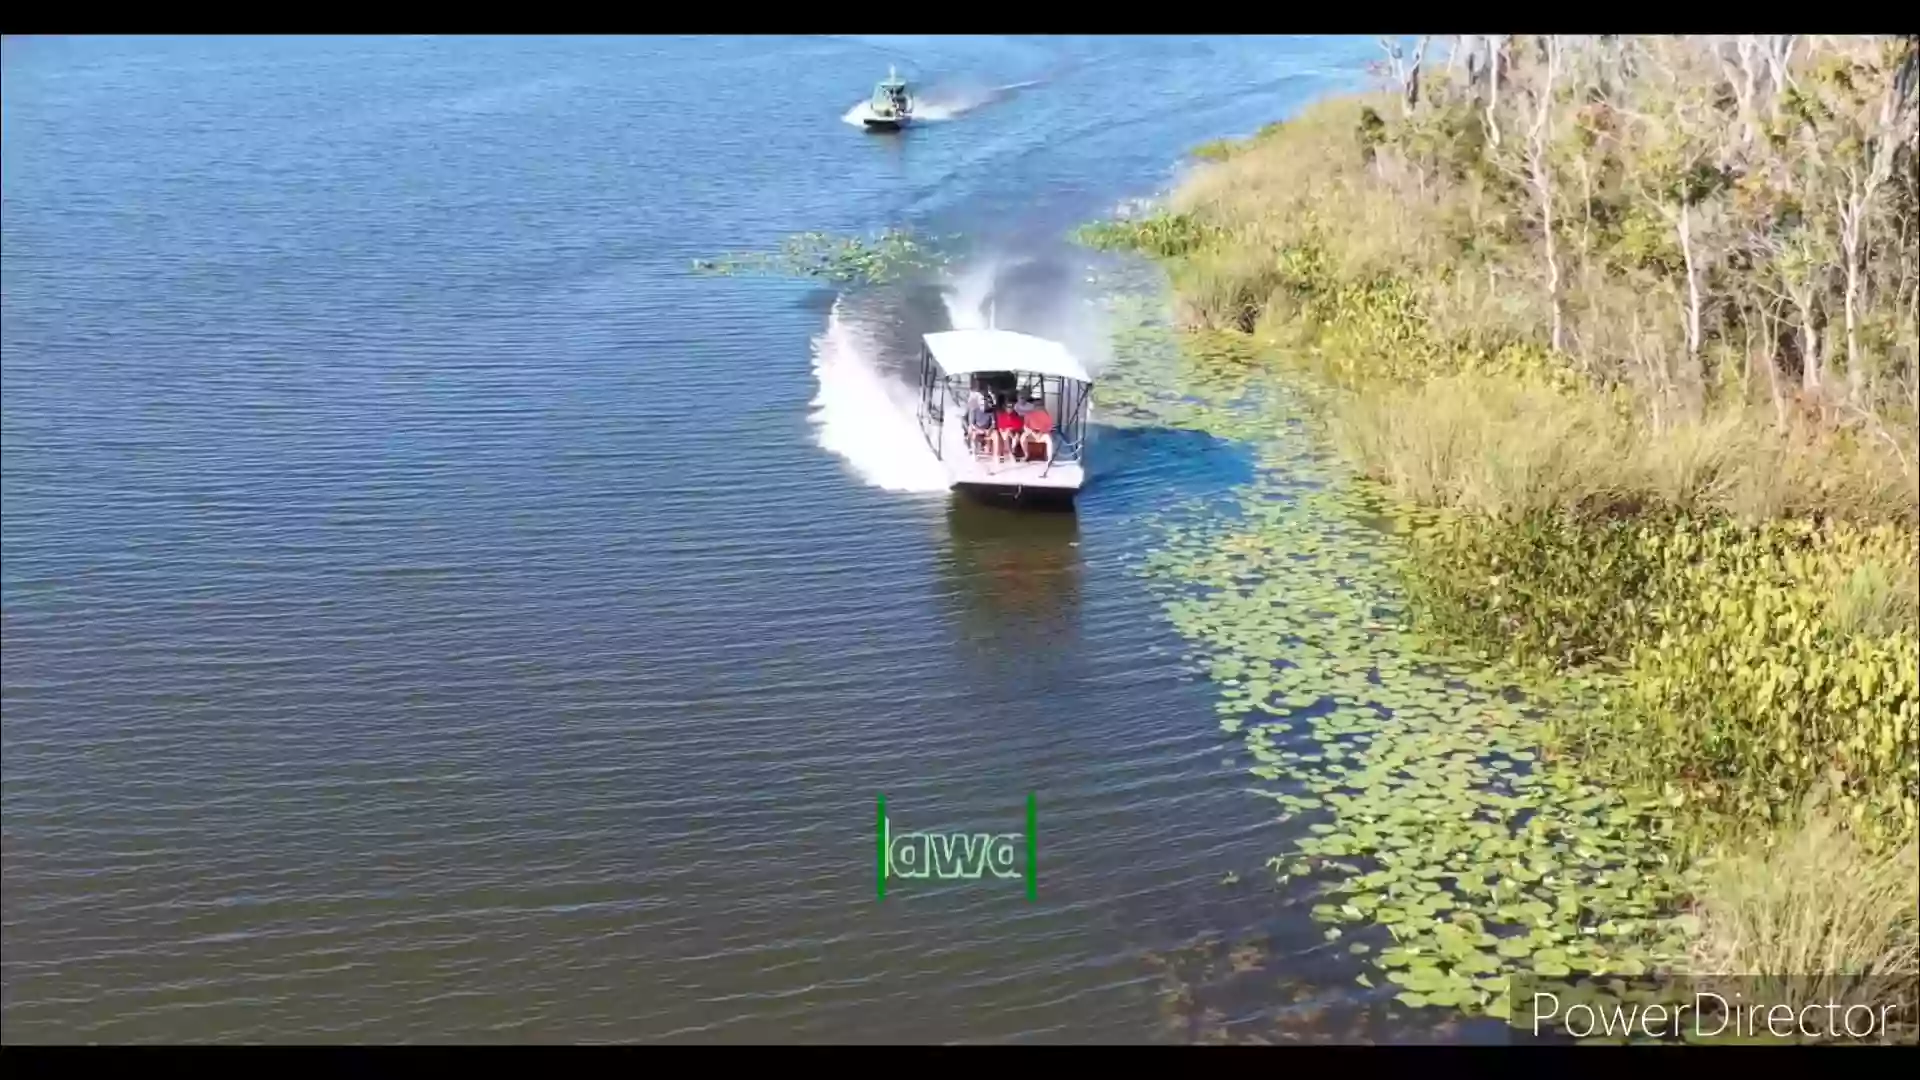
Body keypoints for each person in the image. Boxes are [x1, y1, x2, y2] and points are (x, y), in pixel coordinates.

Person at [1021, 397, 1055, 469]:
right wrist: (1031, 432)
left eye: (1039, 405)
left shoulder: (1046, 415)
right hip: (1032, 434)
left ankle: (1049, 459)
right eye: (1036, 405)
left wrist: (1042, 432)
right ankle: (1026, 455)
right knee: (1023, 438)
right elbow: (1025, 427)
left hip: (1042, 434)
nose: (1037, 406)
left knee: (1049, 440)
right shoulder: (1029, 415)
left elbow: (1050, 427)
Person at [965, 386, 996, 456]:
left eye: (985, 402)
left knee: (993, 435)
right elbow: (972, 423)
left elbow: (993, 423)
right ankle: (972, 450)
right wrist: (978, 429)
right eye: (982, 403)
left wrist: (989, 429)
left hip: (987, 429)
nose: (984, 404)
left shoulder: (990, 412)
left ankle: (988, 448)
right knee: (973, 433)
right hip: (977, 428)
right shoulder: (975, 410)